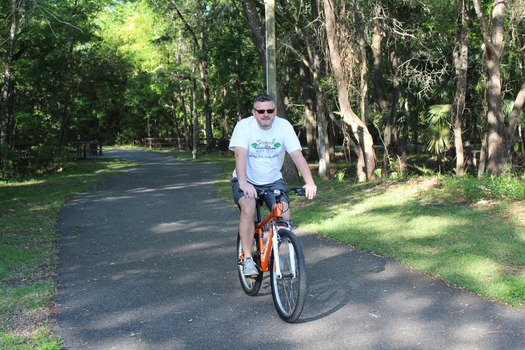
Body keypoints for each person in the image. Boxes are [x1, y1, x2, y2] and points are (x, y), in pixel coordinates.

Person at [229, 94, 317, 276]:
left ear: (275, 111)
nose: (265, 114)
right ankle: (247, 259)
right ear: (254, 112)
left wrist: (309, 182)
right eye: (261, 111)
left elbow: (297, 155)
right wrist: (244, 183)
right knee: (248, 209)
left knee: (283, 215)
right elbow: (240, 155)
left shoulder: (283, 126)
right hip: (246, 179)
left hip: (273, 180)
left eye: (270, 110)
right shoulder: (244, 127)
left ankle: (278, 253)